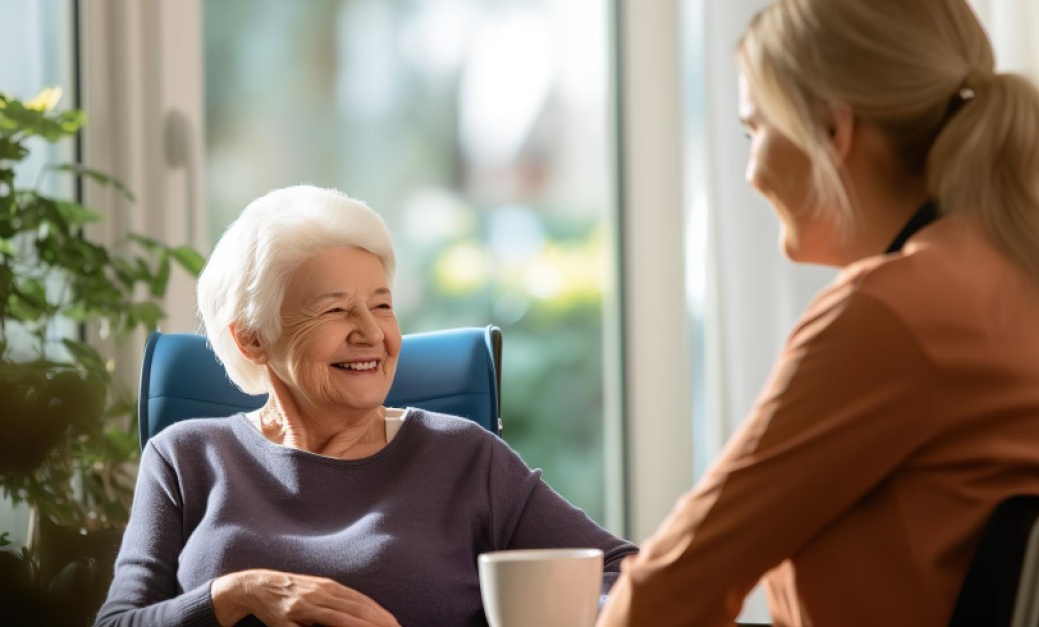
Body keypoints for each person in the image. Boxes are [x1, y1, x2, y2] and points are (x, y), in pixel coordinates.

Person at [596, 0, 1039, 625]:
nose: (750, 172)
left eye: (757, 128)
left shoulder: (892, 315)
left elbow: (671, 594)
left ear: (834, 128)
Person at [95, 185, 636, 627]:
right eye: (335, 311)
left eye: (382, 305)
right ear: (253, 339)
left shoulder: (465, 457)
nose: (372, 333)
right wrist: (237, 594)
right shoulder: (184, 458)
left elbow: (625, 571)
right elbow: (117, 622)